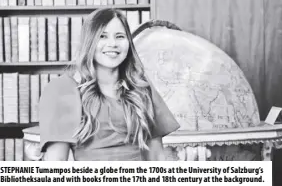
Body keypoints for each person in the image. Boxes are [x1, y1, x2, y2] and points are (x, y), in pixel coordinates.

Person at [39, 8, 180, 161]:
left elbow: (156, 157)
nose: (112, 44)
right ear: (89, 42)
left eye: (120, 36)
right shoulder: (63, 89)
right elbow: (56, 163)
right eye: (102, 36)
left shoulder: (141, 87)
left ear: (128, 43)